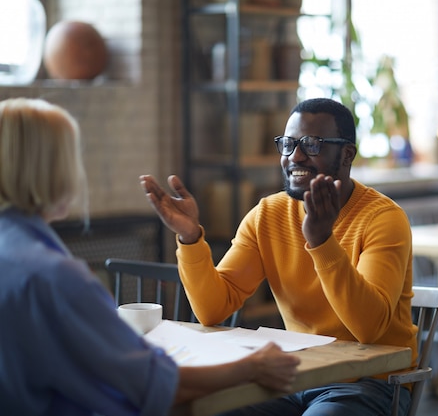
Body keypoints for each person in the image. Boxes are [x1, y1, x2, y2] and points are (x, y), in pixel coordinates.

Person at [0, 98, 300, 416]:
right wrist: (252, 366)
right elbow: (156, 385)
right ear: (53, 171)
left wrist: (190, 236)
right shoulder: (55, 277)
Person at [141, 97, 417, 416]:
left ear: (346, 154)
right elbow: (212, 309)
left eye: (311, 145)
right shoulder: (268, 215)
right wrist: (190, 238)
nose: (295, 156)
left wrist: (321, 241)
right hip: (294, 375)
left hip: (368, 382)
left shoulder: (383, 219)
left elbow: (369, 329)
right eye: (288, 144)